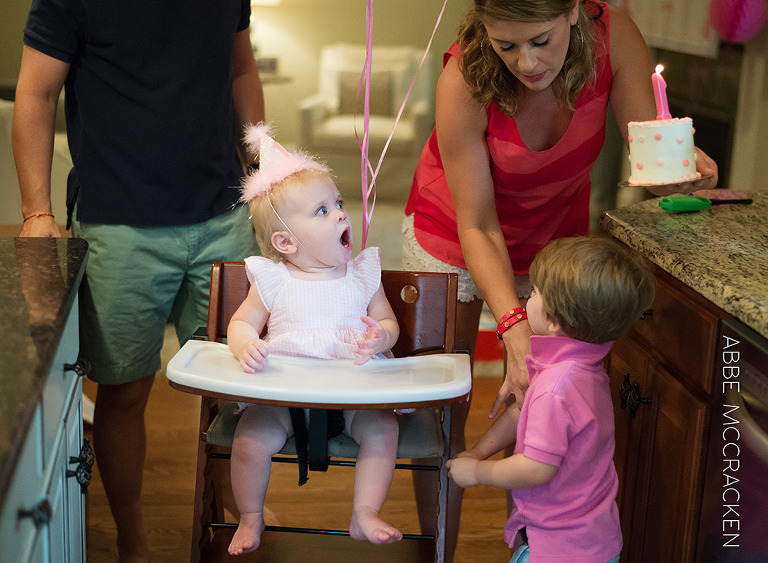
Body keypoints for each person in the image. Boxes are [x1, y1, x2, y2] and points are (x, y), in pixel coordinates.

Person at [401, 1, 717, 556]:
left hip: (552, 248)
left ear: (573, 10)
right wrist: (512, 323)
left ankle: (530, 550)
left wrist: (683, 169)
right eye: (507, 45)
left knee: (535, 407)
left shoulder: (614, 39)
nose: (526, 62)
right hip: (453, 237)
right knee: (441, 415)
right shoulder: (462, 79)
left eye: (540, 40)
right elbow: (477, 225)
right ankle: (436, 550)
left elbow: (654, 167)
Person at [13, 1, 265, 560]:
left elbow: (241, 70)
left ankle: (233, 522)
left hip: (223, 218)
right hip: (119, 226)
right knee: (124, 392)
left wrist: (258, 166)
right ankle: (133, 538)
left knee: (239, 389)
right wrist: (37, 211)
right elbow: (35, 94)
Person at [225, 123, 402, 555]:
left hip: (354, 396)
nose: (342, 214)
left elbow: (388, 323)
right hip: (286, 398)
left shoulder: (362, 274)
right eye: (322, 211)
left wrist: (381, 338)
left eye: (338, 204)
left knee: (384, 428)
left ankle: (364, 512)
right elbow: (241, 324)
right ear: (285, 241)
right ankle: (251, 515)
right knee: (250, 437)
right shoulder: (273, 279)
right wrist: (246, 344)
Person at [446, 235, 655, 562]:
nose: (530, 294)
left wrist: (477, 474)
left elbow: (535, 468)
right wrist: (479, 452)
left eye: (538, 292)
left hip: (557, 549)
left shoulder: (556, 388)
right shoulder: (583, 364)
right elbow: (521, 412)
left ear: (555, 321)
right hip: (596, 540)